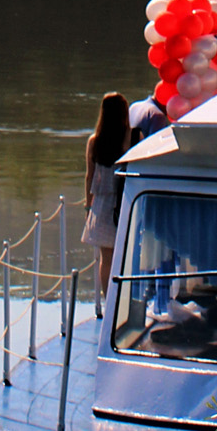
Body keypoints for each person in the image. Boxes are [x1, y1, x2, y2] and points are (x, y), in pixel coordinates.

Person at [82, 91, 131, 298]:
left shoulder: (95, 141)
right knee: (125, 256)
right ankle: (124, 300)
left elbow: (89, 176)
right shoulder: (130, 137)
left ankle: (108, 299)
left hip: (101, 204)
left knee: (106, 258)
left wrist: (88, 204)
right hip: (125, 202)